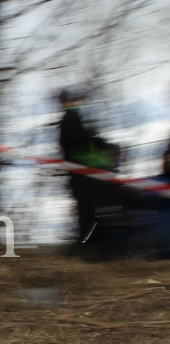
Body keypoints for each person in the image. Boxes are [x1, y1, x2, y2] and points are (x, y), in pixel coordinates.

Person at [56, 88, 120, 256]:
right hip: (83, 178)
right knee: (88, 214)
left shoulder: (75, 122)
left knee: (95, 214)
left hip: (91, 178)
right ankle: (84, 247)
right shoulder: (70, 121)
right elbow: (78, 140)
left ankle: (91, 246)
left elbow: (83, 141)